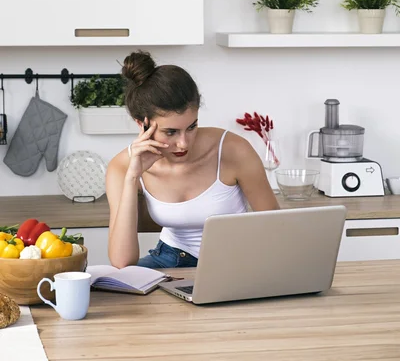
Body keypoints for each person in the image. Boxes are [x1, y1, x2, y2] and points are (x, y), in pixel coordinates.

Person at [106, 50, 280, 269]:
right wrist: (132, 178)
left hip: (235, 261)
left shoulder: (233, 150)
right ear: (142, 124)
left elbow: (274, 227)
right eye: (171, 132)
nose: (183, 143)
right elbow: (122, 261)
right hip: (168, 260)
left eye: (191, 127)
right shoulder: (122, 167)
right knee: (119, 286)